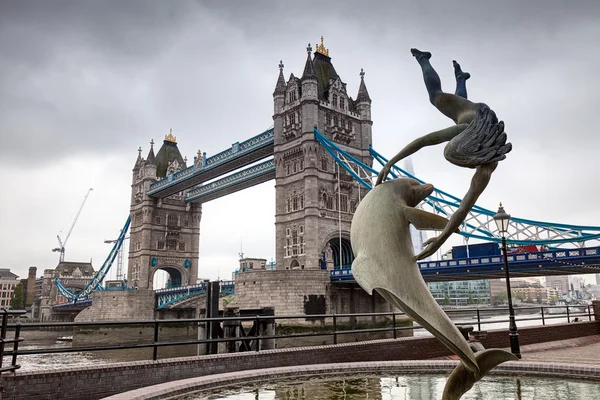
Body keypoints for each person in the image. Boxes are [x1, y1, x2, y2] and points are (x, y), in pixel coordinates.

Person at [376, 49, 512, 260]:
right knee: (436, 97)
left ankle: (452, 74)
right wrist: (390, 163)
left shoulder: (485, 167)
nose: (468, 167)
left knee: (449, 101)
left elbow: (462, 209)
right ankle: (424, 59)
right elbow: (423, 141)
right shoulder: (467, 131)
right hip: (475, 118)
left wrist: (442, 239)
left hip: (479, 119)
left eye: (466, 165)